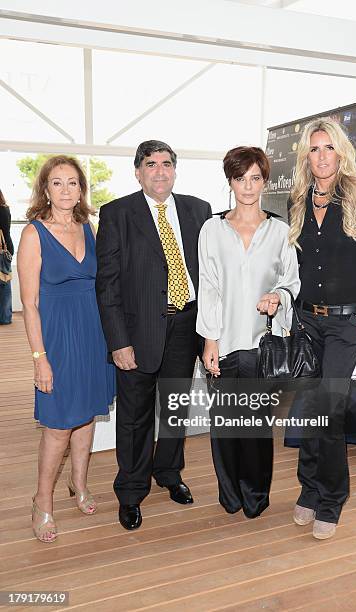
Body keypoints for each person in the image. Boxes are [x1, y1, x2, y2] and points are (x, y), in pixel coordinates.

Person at [96, 140, 212, 531]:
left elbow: (211, 275)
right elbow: (107, 285)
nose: (159, 171)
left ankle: (168, 473)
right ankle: (130, 492)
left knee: (176, 408)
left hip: (186, 325)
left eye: (166, 164)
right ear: (138, 171)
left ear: (174, 170)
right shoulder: (117, 214)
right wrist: (118, 341)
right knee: (134, 417)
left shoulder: (199, 210)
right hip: (137, 330)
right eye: (150, 164)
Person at [287, 117, 356, 539]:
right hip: (306, 322)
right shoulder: (298, 201)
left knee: (328, 413)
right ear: (306, 157)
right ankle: (308, 491)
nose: (321, 156)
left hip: (347, 326)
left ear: (341, 151)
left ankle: (331, 499)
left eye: (328, 147)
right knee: (309, 412)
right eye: (314, 149)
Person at [197, 146, 300, 518]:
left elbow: (292, 281)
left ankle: (255, 495)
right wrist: (209, 339)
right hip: (223, 343)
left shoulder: (280, 231)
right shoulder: (212, 228)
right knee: (224, 425)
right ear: (230, 182)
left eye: (255, 178)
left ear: (265, 181)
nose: (248, 186)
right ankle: (230, 494)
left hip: (261, 346)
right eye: (240, 178)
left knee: (256, 426)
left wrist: (278, 295)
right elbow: (207, 286)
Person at [17, 155, 115, 543]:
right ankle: (42, 500)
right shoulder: (32, 234)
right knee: (58, 425)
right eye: (57, 183)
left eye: (72, 183)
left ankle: (79, 483)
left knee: (87, 416)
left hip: (92, 335)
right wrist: (40, 359)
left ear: (81, 190)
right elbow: (29, 304)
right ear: (45, 189)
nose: (65, 190)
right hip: (56, 338)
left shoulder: (88, 227)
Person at [0, 188, 13, 324]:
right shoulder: (5, 209)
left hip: (2, 250)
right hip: (7, 248)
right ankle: (5, 316)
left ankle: (4, 317)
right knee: (5, 282)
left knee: (3, 284)